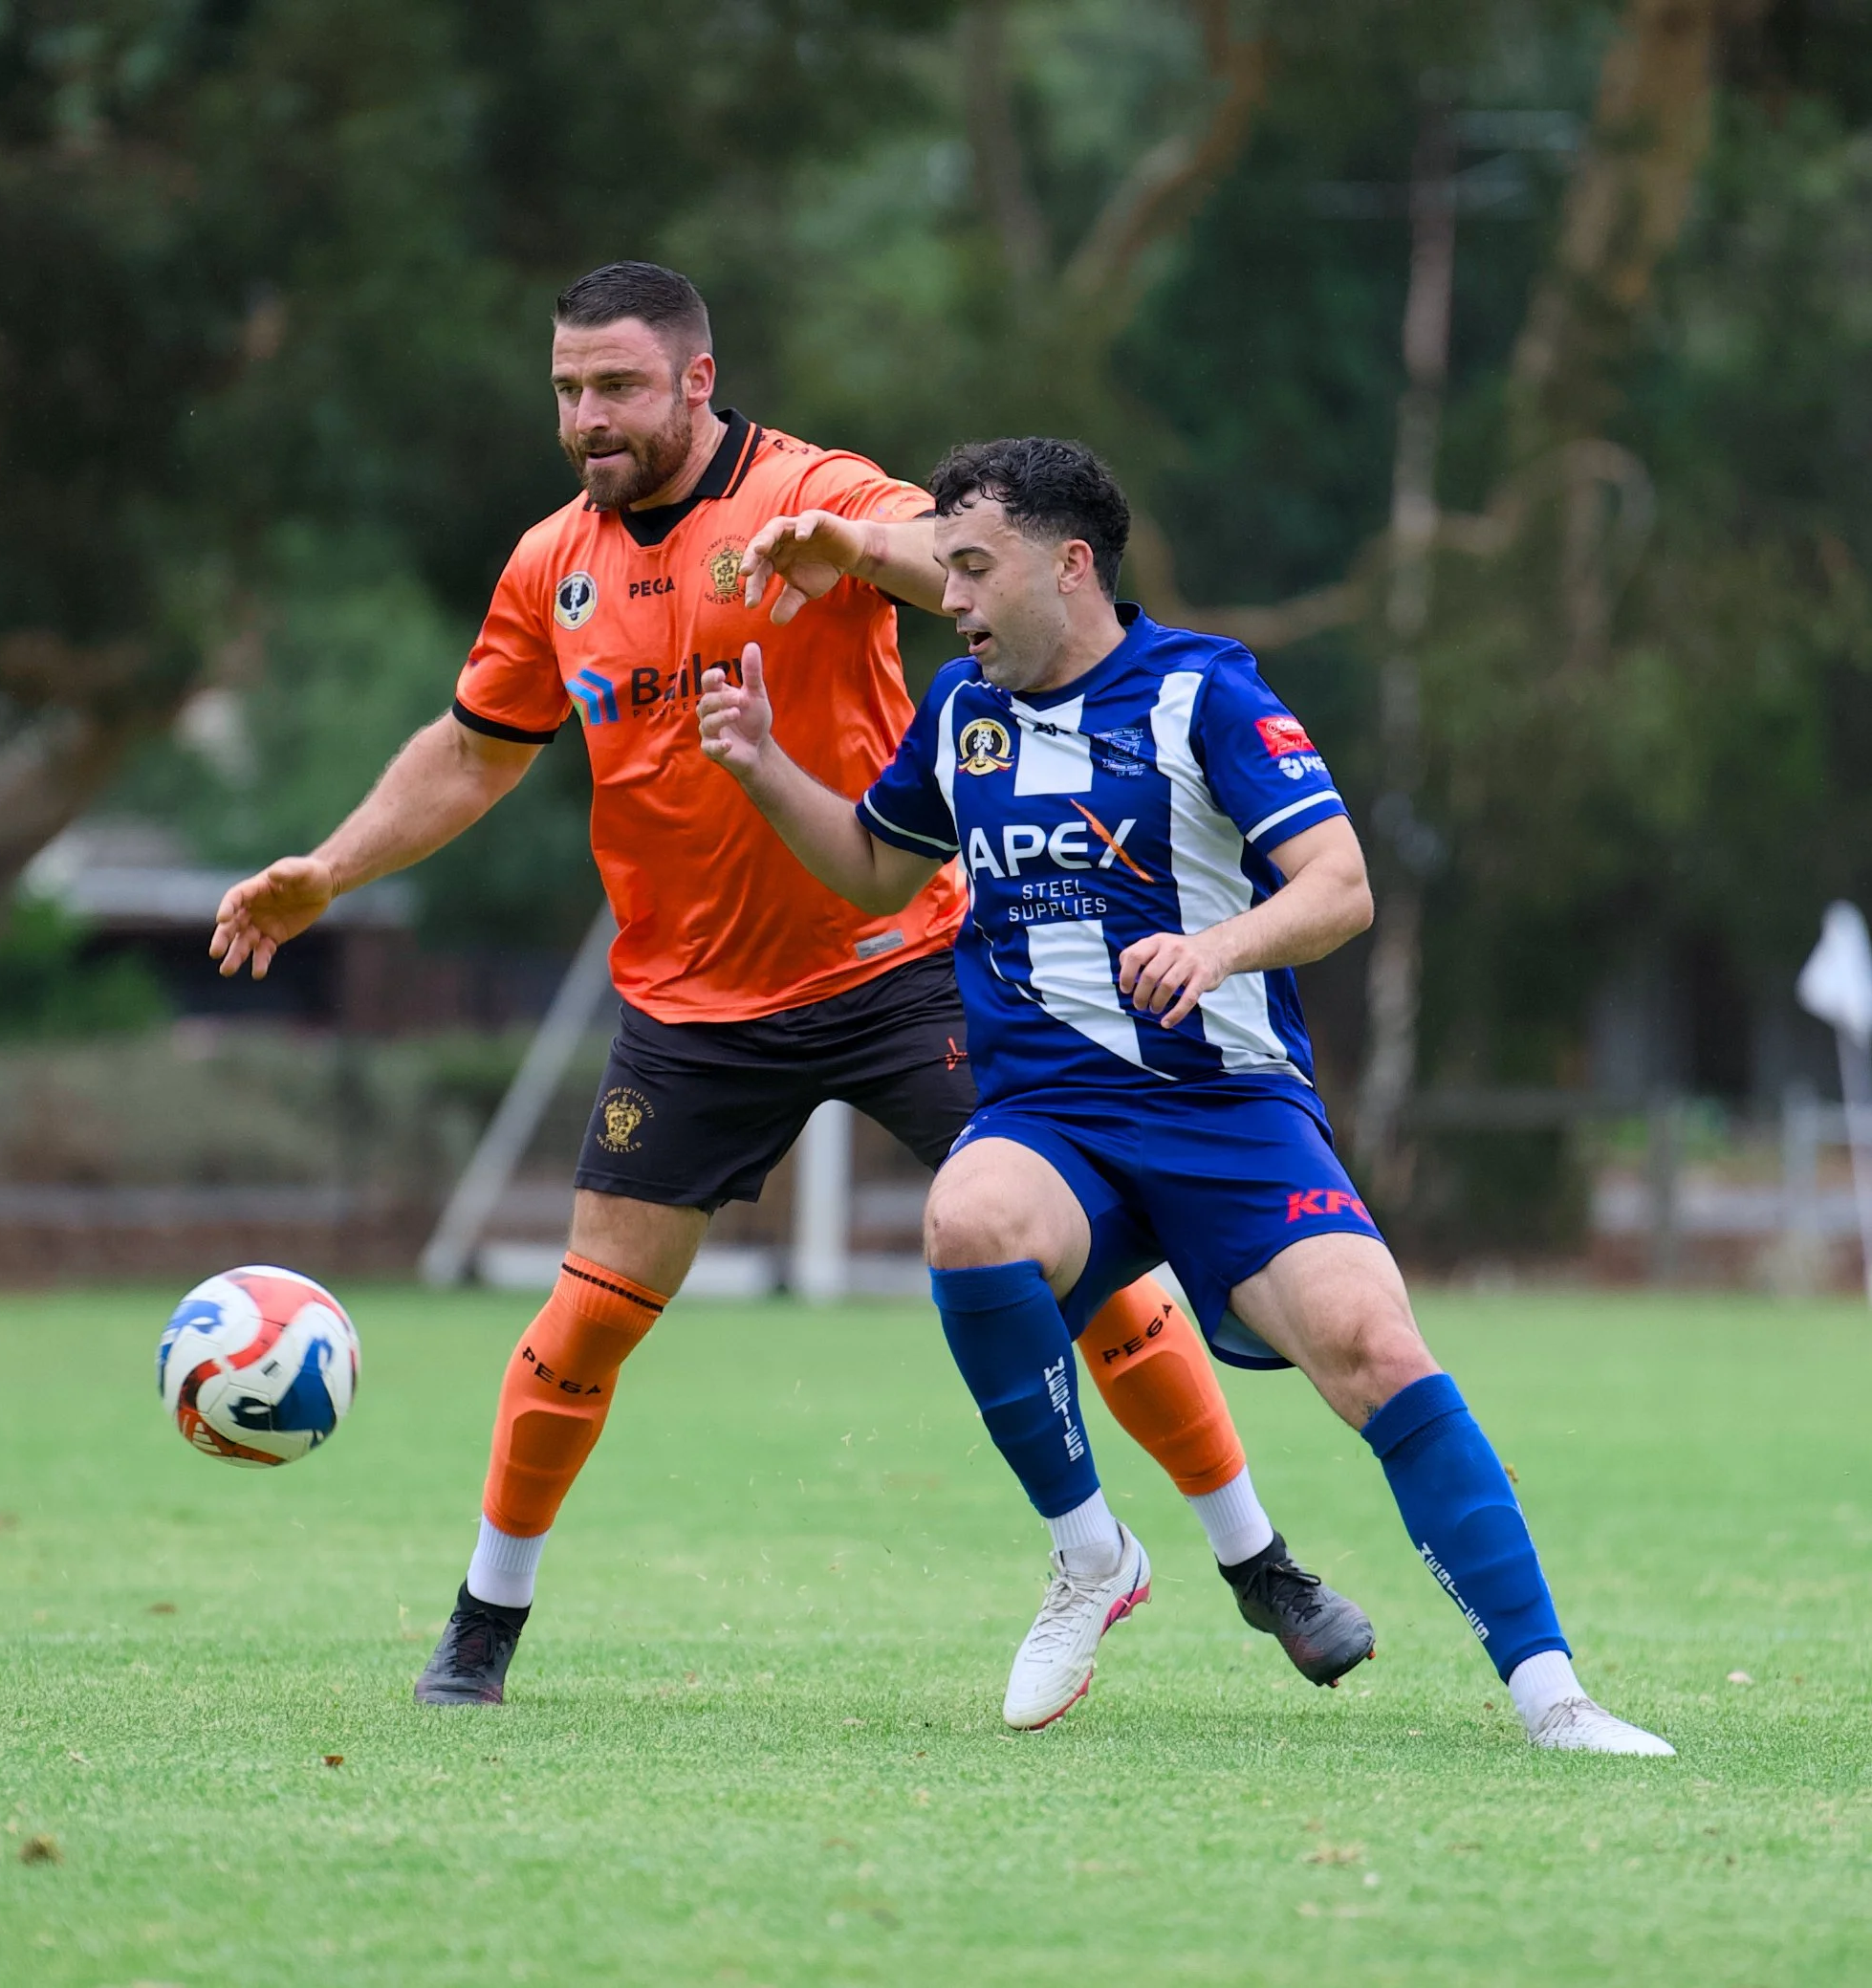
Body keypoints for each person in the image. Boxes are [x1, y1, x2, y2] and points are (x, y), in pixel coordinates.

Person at [207, 263, 1373, 1711]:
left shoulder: (803, 485)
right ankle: (482, 1624)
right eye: (568, 388)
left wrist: (840, 544)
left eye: (618, 385)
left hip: (908, 963)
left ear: (695, 379)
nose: (588, 416)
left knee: (1087, 1278)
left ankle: (1260, 1566)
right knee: (584, 1320)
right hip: (690, 1006)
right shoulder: (545, 565)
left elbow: (950, 555)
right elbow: (473, 749)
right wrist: (328, 868)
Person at [697, 432, 1675, 1750]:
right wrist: (761, 762)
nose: (957, 600)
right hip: (1049, 1115)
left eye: (974, 568)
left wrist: (1215, 947)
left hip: (1226, 1107)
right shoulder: (961, 713)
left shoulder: (1205, 693)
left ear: (1072, 565)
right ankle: (1088, 1551)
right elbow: (878, 869)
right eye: (946, 570)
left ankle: (1551, 1695)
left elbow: (1338, 888)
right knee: (968, 1216)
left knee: (1376, 1350)